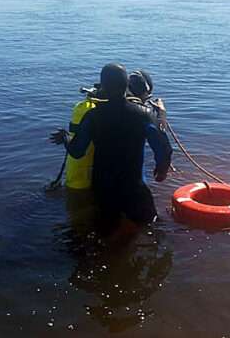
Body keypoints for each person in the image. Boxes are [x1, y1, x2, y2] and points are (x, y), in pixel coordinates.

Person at [60, 63, 172, 234]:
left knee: (105, 235)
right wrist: (162, 170)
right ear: (127, 85)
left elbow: (77, 151)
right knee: (151, 229)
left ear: (103, 86)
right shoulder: (143, 114)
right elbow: (164, 148)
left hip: (103, 190)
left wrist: (65, 138)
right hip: (133, 188)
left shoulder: (93, 116)